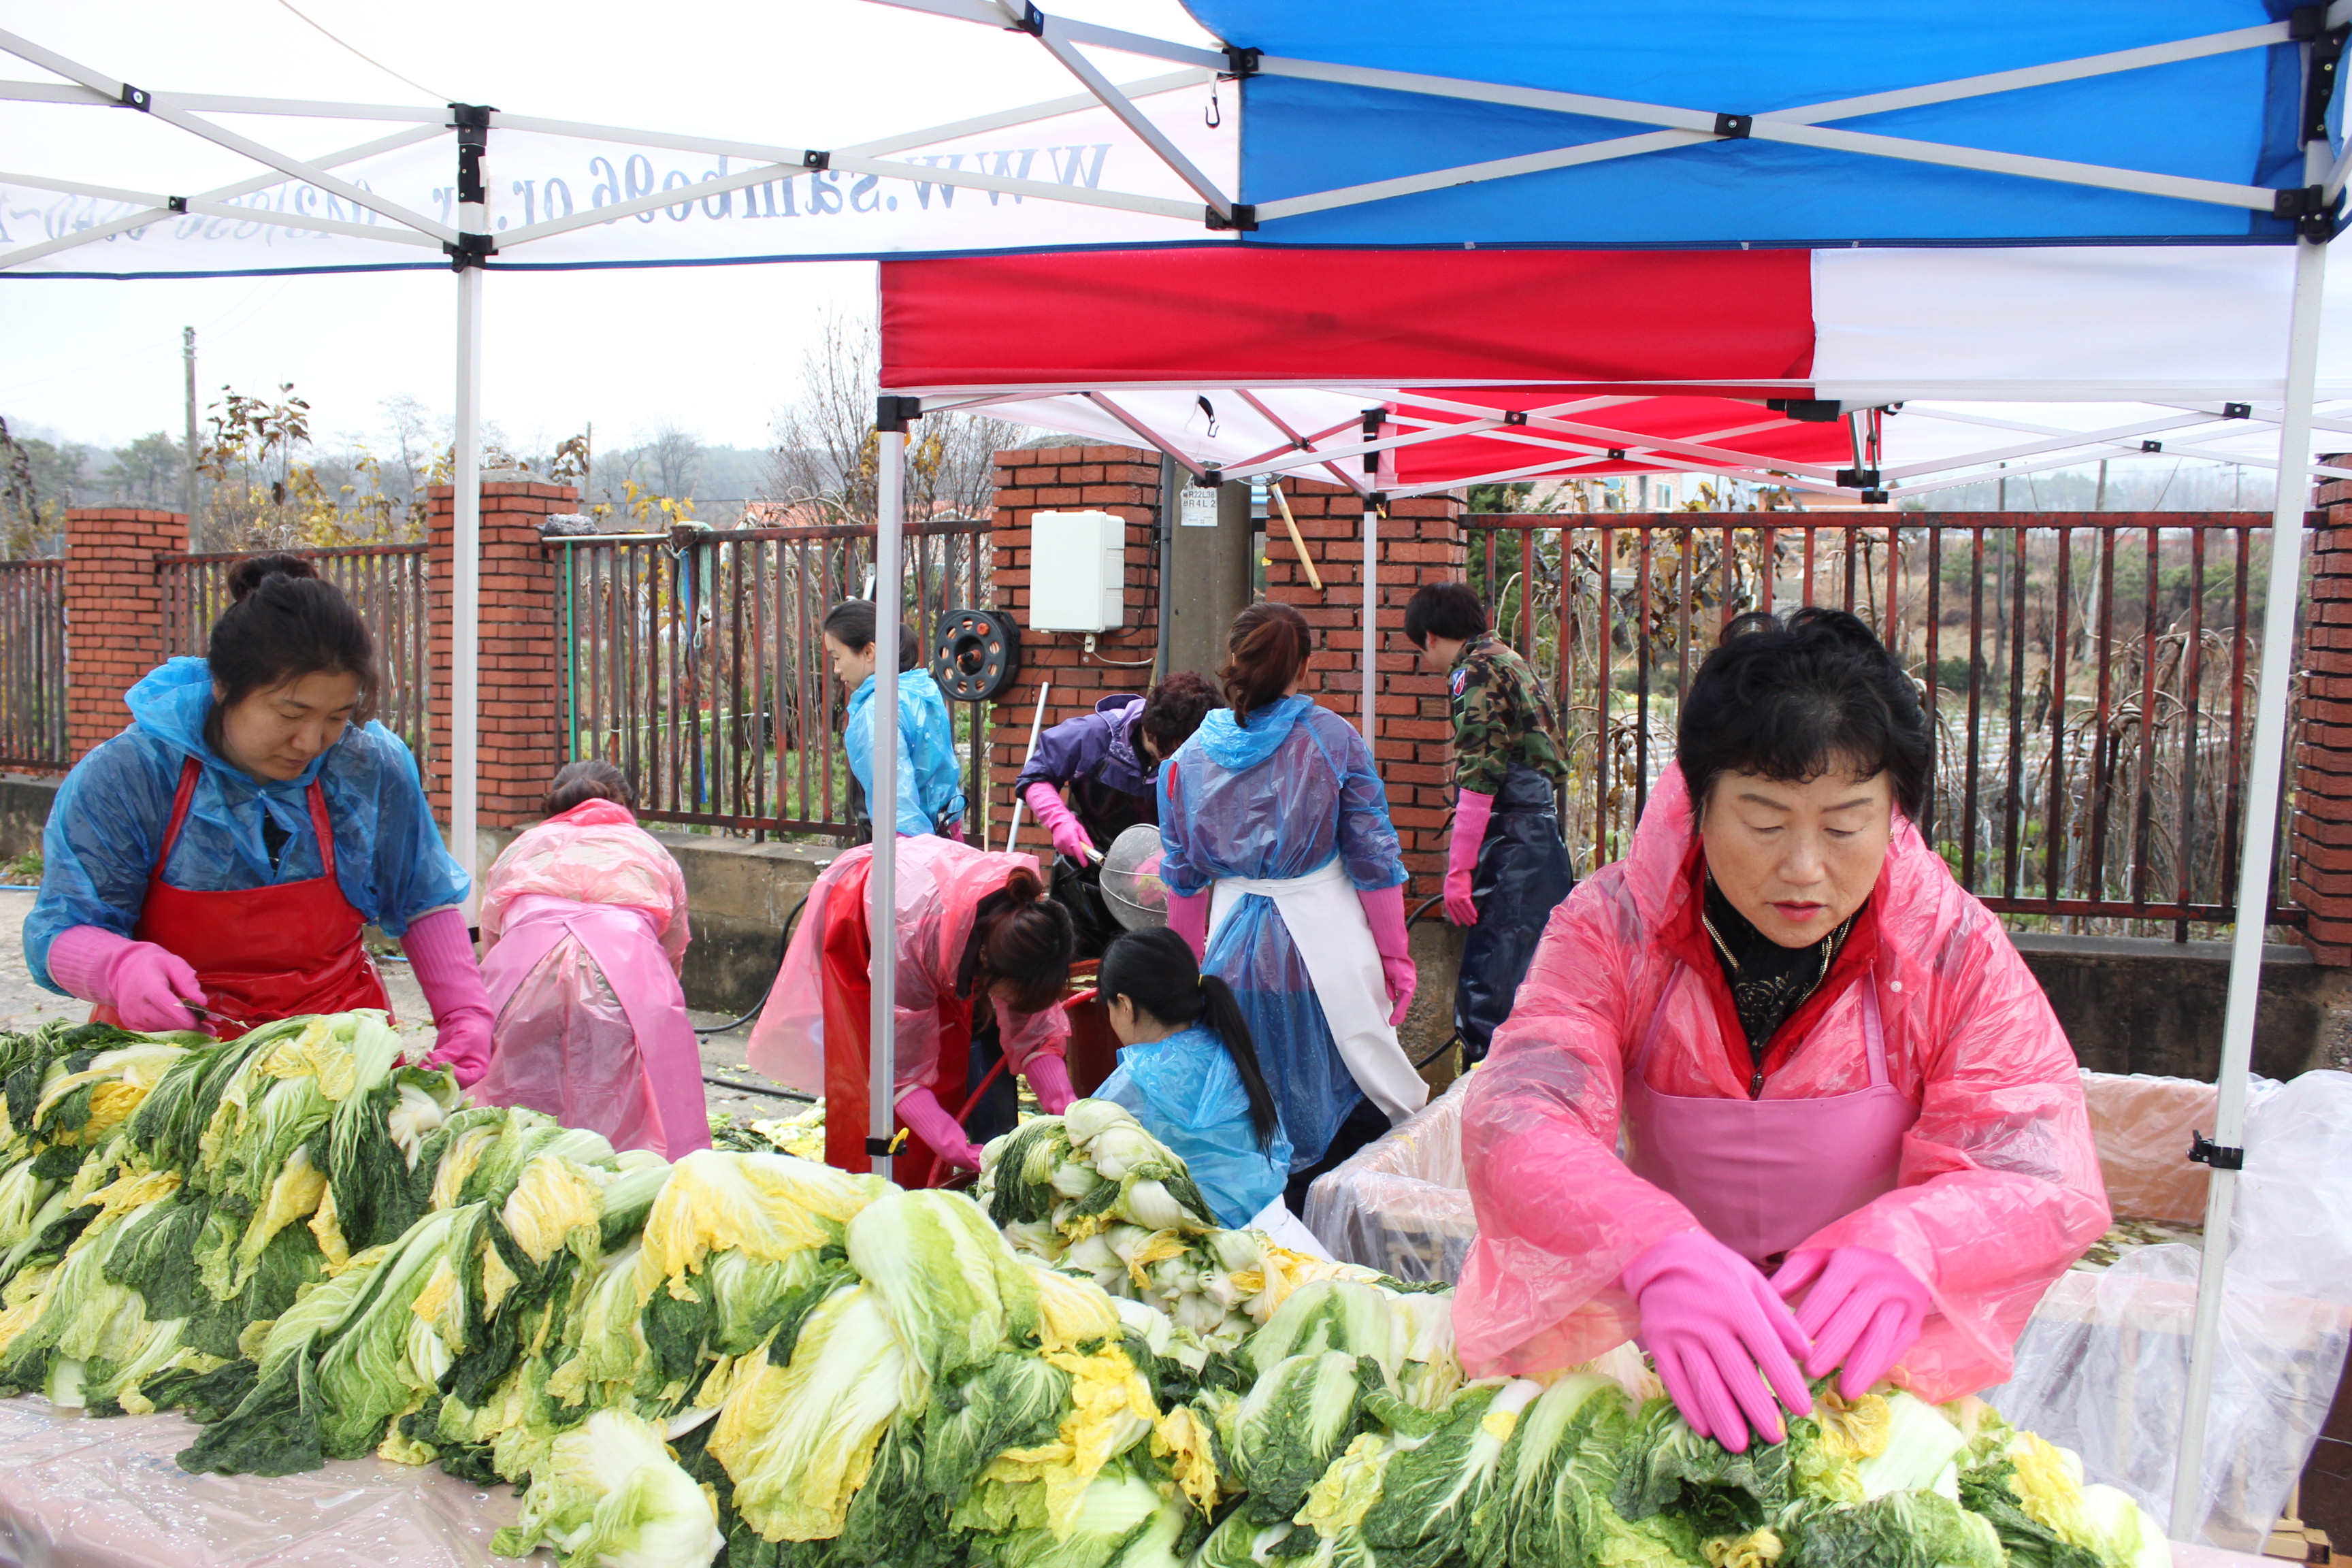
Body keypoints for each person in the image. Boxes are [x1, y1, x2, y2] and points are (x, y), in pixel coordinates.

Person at [1455, 608, 2108, 1453]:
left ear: (1893, 814)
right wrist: (1650, 1250)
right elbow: (1519, 1111)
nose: (1804, 869)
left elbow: (2037, 1164)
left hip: (1869, 1381)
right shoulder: (1615, 927)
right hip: (1666, 1360)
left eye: (1843, 826)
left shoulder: (1950, 948)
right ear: (1700, 804)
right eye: (1764, 822)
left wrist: (1918, 1242)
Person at [24, 553, 491, 1079]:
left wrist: (465, 1015)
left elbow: (421, 897)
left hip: (335, 1061)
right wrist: (118, 967)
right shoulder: (131, 776)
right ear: (224, 688)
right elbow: (60, 930)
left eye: (336, 716)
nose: (311, 742)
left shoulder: (368, 768)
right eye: (291, 714)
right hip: (170, 1065)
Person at [1158, 602, 1429, 1214]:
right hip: (1325, 956)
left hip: (1227, 959)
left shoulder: (1185, 761)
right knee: (1349, 1106)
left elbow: (1182, 880)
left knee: (1246, 1101)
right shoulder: (1334, 741)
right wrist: (1396, 956)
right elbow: (1374, 857)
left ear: (1233, 660)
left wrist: (1184, 974)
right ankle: (1331, 1234)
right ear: (1304, 666)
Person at [747, 834, 1079, 1188]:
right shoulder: (906, 945)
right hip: (867, 916)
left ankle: (934, 1179)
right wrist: (955, 1148)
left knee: (948, 1057)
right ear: (985, 964)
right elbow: (899, 1073)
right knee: (871, 1083)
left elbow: (1035, 1028)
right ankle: (873, 1190)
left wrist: (1070, 1113)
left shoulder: (1022, 929)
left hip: (938, 909)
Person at [469, 760, 708, 1158]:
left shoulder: (520, 849)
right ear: (629, 804)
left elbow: (494, 939)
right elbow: (671, 949)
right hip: (623, 976)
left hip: (524, 975)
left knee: (517, 1111)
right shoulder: (650, 850)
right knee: (622, 1115)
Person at [1404, 582, 1575, 1062]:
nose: (1427, 658)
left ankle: (1485, 1103)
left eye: (1423, 648)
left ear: (1432, 636)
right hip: (1538, 836)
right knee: (1527, 977)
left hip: (1514, 840)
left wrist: (1457, 872)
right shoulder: (1507, 658)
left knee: (1492, 990)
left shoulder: (1473, 673)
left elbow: (1479, 778)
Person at [1093, 926, 1291, 1230]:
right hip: (1268, 1226)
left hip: (1189, 1246)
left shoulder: (1135, 1083)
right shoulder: (1228, 1050)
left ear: (1125, 1004)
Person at [1015, 672, 1218, 954]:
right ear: (1152, 729)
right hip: (1082, 878)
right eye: (1170, 750)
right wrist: (1058, 820)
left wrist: (1161, 861)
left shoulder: (1197, 757)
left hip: (1150, 892)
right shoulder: (1094, 736)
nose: (1177, 758)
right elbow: (1035, 777)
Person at [823, 600, 965, 840]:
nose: (836, 669)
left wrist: (909, 854)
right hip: (945, 837)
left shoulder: (876, 710)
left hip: (901, 850)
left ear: (869, 652)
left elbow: (896, 804)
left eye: (836, 657)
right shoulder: (920, 692)